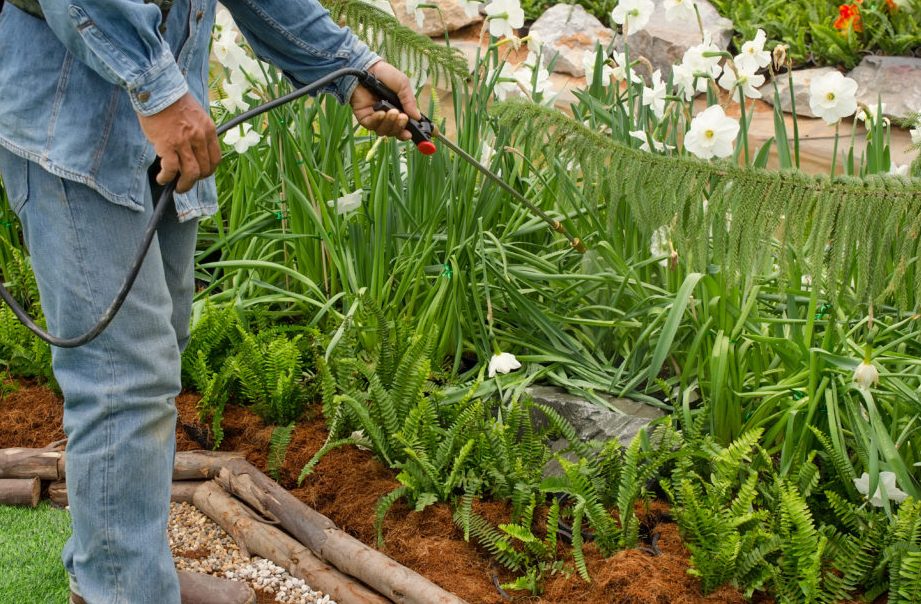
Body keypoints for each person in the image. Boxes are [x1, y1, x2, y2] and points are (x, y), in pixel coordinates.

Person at [0, 1, 422, 602]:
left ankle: (121, 573)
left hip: (165, 128)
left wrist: (353, 66)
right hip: (72, 119)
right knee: (122, 376)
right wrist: (159, 93)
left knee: (156, 356)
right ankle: (124, 590)